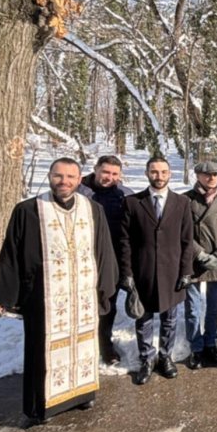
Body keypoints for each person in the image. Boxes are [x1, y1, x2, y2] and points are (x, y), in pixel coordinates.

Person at [0, 158, 118, 424]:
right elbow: (12, 255)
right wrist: (5, 296)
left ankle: (83, 394)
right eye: (59, 176)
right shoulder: (28, 210)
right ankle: (40, 406)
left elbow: (103, 252)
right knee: (41, 349)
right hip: (44, 298)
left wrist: (106, 288)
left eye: (70, 177)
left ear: (80, 180)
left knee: (84, 345)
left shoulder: (92, 210)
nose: (64, 182)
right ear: (50, 176)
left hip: (83, 296)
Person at [119, 156, 194, 385]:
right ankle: (147, 359)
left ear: (169, 174)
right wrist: (127, 273)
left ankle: (165, 357)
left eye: (163, 172)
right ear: (147, 173)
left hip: (171, 272)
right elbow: (124, 241)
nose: (158, 176)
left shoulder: (181, 203)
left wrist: (186, 271)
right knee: (144, 319)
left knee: (170, 319)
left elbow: (187, 240)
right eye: (154, 171)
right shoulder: (132, 202)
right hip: (143, 272)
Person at [77, 154, 133, 365]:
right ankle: (82, 343)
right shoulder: (80, 191)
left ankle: (105, 343)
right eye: (105, 172)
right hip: (84, 258)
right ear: (96, 169)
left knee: (107, 302)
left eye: (114, 174)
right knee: (83, 303)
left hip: (113, 259)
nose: (109, 177)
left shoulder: (124, 195)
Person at [183, 161, 217, 369]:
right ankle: (196, 348)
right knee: (193, 309)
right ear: (197, 176)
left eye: (215, 174)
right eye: (207, 174)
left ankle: (210, 343)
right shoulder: (186, 200)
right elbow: (184, 231)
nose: (212, 178)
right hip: (194, 261)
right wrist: (200, 254)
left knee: (214, 308)